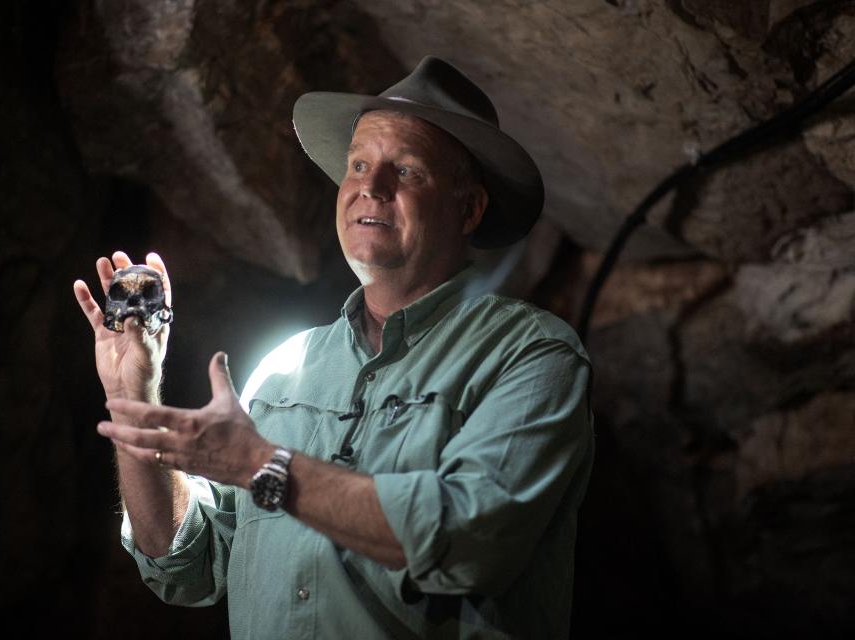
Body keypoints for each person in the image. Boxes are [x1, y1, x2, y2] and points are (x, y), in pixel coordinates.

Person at [73, 56, 594, 639]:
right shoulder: (283, 370)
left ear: (468, 208)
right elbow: (185, 565)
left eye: (408, 171)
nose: (370, 186)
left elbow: (468, 539)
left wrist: (260, 466)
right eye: (359, 164)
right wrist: (133, 399)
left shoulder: (530, 356)